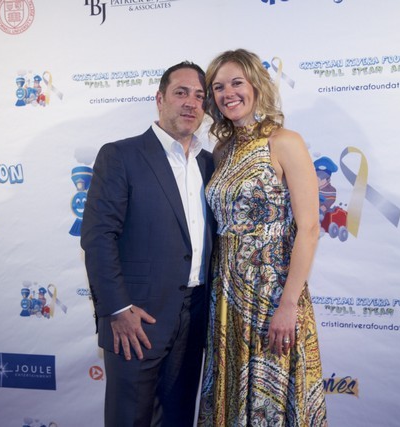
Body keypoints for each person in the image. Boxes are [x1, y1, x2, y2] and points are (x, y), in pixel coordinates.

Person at [81, 61, 216, 427]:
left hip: (195, 318)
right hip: (136, 320)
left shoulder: (210, 164)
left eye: (199, 96)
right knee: (130, 419)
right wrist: (117, 309)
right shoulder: (121, 156)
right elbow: (98, 237)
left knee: (177, 418)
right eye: (181, 92)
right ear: (160, 99)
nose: (191, 103)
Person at [198, 49, 328, 426]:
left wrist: (288, 304)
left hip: (274, 294)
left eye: (237, 83)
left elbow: (309, 229)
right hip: (226, 298)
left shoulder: (285, 141)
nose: (228, 93)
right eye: (218, 87)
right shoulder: (222, 150)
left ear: (256, 85)